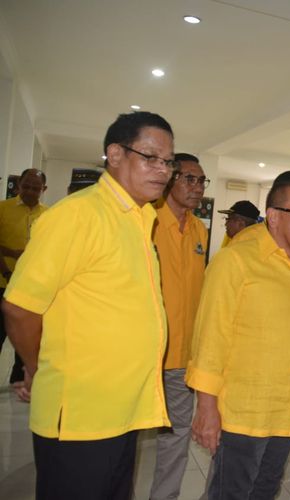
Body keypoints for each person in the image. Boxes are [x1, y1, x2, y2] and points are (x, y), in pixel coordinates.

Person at [2, 111, 175, 499]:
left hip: (121, 412)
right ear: (114, 154)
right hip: (80, 417)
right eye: (150, 156)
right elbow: (19, 307)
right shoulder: (78, 215)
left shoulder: (139, 220)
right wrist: (36, 366)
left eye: (168, 161)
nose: (163, 170)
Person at [187, 170, 290, 500]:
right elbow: (210, 338)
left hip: (286, 408)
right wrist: (206, 409)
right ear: (274, 217)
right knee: (230, 494)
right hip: (242, 413)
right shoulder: (236, 261)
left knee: (265, 491)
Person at [150, 153, 210, 500]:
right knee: (127, 435)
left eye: (201, 181)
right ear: (170, 179)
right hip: (144, 352)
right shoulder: (149, 220)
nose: (197, 187)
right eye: (189, 178)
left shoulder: (200, 229)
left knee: (176, 435)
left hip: (182, 356)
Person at [0, 168, 47, 401]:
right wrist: (9, 264)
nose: (30, 191)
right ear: (18, 185)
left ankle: (19, 386)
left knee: (28, 338)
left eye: (35, 188)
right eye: (26, 186)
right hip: (2, 282)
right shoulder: (2, 209)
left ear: (43, 190)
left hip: (34, 289)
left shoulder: (49, 215)